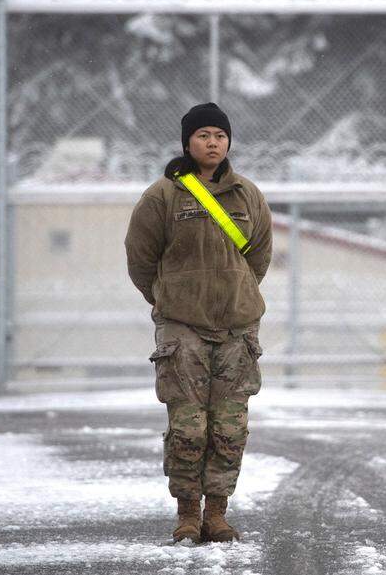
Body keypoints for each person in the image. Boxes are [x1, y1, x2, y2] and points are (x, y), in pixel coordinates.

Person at [125, 102, 273, 543]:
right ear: (188, 142)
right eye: (204, 135)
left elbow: (260, 256)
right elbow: (141, 259)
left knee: (229, 427)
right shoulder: (163, 196)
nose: (213, 143)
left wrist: (236, 293)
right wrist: (170, 298)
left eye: (220, 136)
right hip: (182, 328)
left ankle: (217, 514)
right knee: (188, 427)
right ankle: (187, 513)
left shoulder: (248, 195)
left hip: (237, 328)